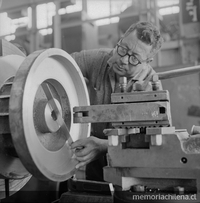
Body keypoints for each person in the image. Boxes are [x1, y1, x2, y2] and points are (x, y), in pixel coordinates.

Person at [70, 21, 163, 182]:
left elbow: (152, 141)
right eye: (123, 49)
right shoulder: (98, 59)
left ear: (148, 61)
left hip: (132, 168)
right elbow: (61, 64)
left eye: (134, 58)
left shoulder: (152, 87)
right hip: (94, 159)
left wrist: (104, 146)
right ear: (121, 40)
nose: (124, 60)